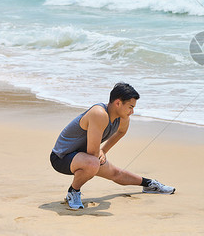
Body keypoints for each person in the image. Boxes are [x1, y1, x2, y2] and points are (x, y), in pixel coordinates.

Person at [50, 82, 175, 210]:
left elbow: (121, 132)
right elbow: (92, 153)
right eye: (130, 107)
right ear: (118, 103)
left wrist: (103, 150)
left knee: (116, 174)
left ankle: (149, 184)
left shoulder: (123, 119)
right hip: (61, 157)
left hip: (84, 157)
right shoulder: (99, 114)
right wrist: (99, 153)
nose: (132, 111)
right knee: (93, 163)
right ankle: (73, 192)